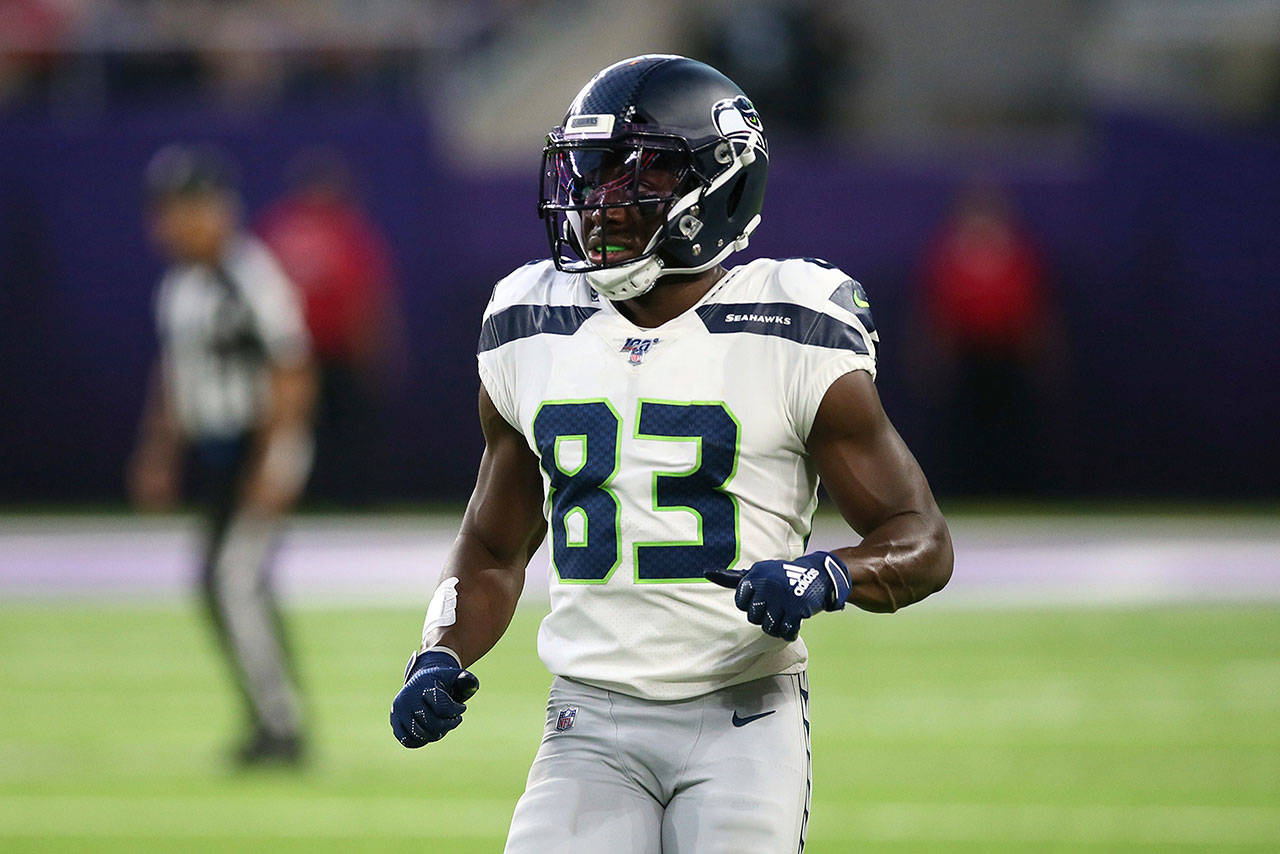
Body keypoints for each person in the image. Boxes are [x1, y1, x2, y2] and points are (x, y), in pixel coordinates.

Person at [389, 55, 953, 852]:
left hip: (741, 717)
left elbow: (921, 540)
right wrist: (437, 655)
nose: (598, 200)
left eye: (638, 175)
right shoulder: (531, 319)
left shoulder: (791, 324)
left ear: (717, 188)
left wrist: (827, 575)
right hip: (587, 721)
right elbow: (491, 543)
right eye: (592, 173)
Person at [129, 144, 317, 765]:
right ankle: (269, 715)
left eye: (184, 209)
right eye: (165, 212)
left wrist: (276, 461)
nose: (171, 225)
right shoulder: (181, 286)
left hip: (255, 448)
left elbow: (292, 372)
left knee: (233, 583)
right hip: (217, 453)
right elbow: (175, 377)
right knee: (224, 587)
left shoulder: (251, 275)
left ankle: (281, 726)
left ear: (216, 210)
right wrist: (158, 453)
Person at [255, 148, 403, 506]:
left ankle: (319, 500)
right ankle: (326, 499)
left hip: (307, 355)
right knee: (311, 434)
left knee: (310, 435)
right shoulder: (341, 231)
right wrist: (374, 350)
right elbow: (365, 301)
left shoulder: (279, 228)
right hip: (309, 355)